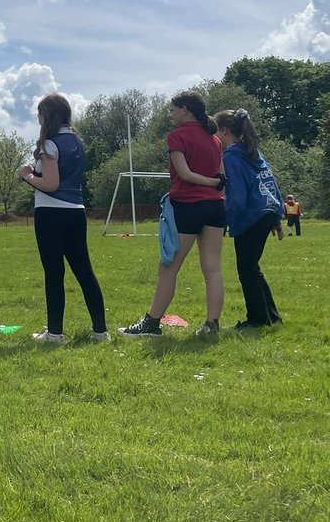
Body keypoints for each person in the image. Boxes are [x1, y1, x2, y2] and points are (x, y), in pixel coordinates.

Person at [120, 91, 225, 338]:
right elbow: (221, 177)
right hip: (216, 208)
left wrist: (210, 183)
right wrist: (214, 184)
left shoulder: (177, 137)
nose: (169, 115)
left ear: (185, 109)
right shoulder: (215, 139)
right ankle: (212, 325)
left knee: (168, 267)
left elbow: (185, 174)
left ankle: (152, 324)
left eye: (171, 110)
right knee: (213, 269)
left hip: (188, 206)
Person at [18, 94, 106, 343]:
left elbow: (50, 183)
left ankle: (55, 333)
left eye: (39, 114)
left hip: (51, 213)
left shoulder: (50, 144)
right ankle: (101, 331)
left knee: (54, 274)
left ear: (49, 115)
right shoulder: (77, 141)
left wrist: (27, 176)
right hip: (76, 212)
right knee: (85, 272)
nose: (38, 119)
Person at [216, 109, 284, 328]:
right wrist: (276, 217)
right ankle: (271, 316)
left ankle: (257, 320)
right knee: (252, 268)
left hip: (250, 217)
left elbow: (238, 195)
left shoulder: (231, 156)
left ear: (224, 131)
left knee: (246, 270)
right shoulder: (252, 151)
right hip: (266, 212)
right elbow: (270, 182)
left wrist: (227, 219)